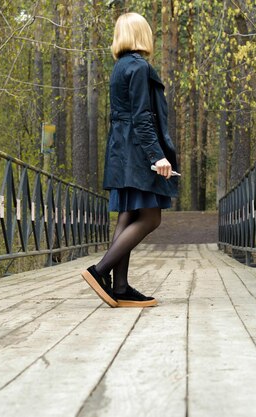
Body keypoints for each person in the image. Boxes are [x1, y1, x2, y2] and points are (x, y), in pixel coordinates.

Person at [81, 12, 179, 308]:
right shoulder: (138, 67)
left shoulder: (120, 67)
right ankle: (100, 272)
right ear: (141, 34)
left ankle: (120, 287)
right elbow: (141, 118)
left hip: (122, 150)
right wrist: (157, 156)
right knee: (150, 216)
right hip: (137, 151)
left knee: (129, 214)